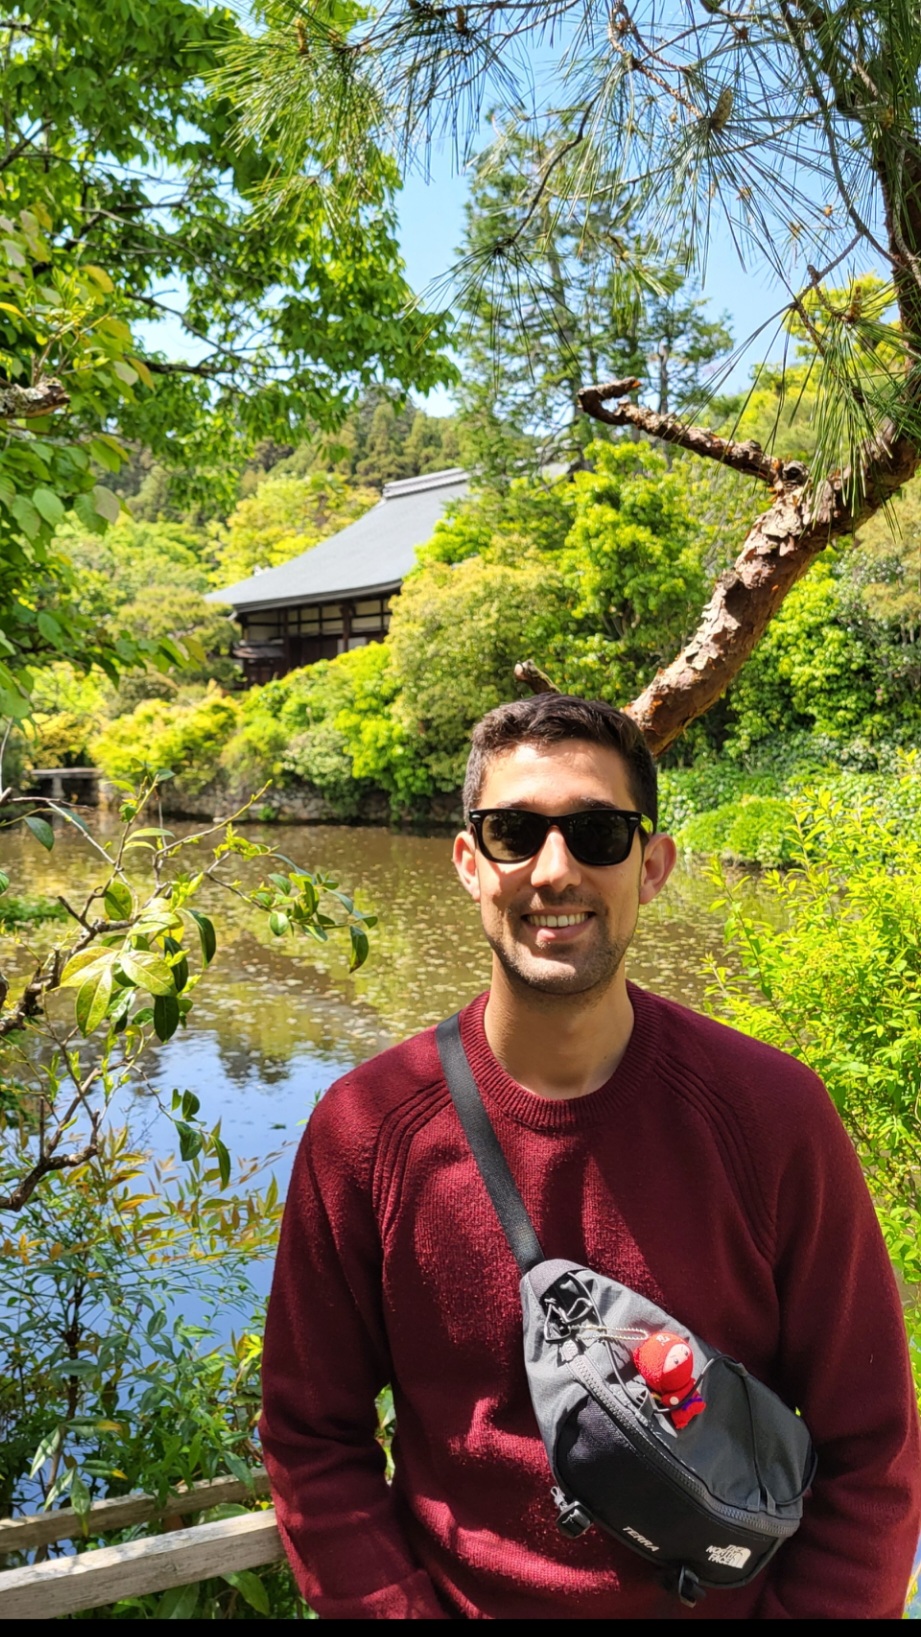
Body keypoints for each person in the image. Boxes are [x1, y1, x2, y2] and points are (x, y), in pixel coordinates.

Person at [260, 694, 921, 1619]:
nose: (554, 869)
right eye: (513, 831)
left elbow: (874, 1450)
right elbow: (311, 1438)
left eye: (598, 833)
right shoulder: (368, 1130)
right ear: (468, 862)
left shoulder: (772, 1116)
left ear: (651, 867)